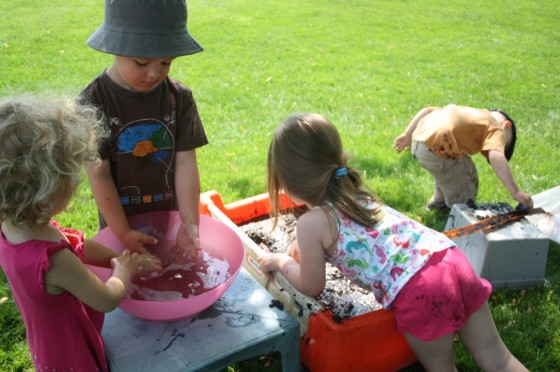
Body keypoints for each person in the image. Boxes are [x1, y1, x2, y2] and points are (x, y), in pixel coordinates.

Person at [259, 113, 528, 371]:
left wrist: (280, 261)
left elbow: (311, 286)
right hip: (449, 259)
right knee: (499, 361)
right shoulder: (355, 192)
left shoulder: (310, 224)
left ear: (286, 183)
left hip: (421, 289)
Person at [0, 96, 162, 371]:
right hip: (69, 353)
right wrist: (124, 271)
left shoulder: (17, 224)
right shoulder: (53, 261)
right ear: (46, 189)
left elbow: (77, 246)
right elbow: (106, 299)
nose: (76, 183)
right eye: (70, 176)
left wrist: (119, 258)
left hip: (50, 337)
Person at [79, 0, 208, 257]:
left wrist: (190, 220)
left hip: (169, 217)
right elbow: (100, 174)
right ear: (114, 47)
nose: (154, 73)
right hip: (120, 223)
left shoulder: (179, 97)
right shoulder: (93, 102)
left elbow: (185, 164)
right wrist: (123, 232)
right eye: (141, 62)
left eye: (166, 63)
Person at [393, 104, 533, 211]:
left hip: (419, 141)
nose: (500, 144)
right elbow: (496, 156)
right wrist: (516, 191)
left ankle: (439, 200)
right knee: (466, 176)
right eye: (504, 144)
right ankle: (461, 212)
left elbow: (427, 110)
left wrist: (407, 135)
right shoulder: (497, 127)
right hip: (437, 147)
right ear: (506, 125)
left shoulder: (469, 113)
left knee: (454, 164)